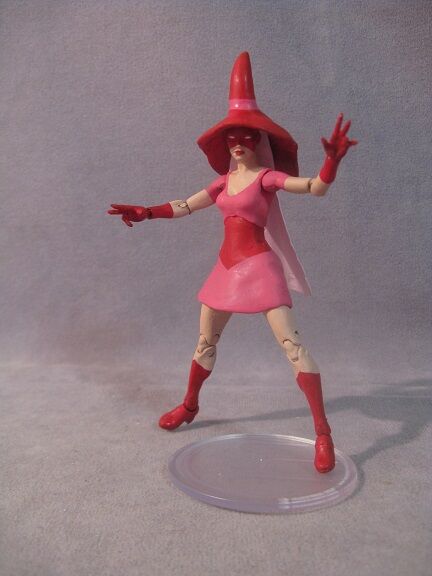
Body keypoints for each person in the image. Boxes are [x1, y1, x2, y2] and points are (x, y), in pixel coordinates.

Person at [108, 52, 357, 473]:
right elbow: (186, 205)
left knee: (293, 346)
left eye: (246, 135)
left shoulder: (265, 178)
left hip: (260, 268)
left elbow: (314, 187)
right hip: (226, 270)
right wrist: (147, 212)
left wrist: (331, 162)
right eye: (231, 136)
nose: (238, 142)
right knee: (205, 342)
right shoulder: (224, 181)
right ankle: (190, 405)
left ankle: (323, 432)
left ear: (259, 139)